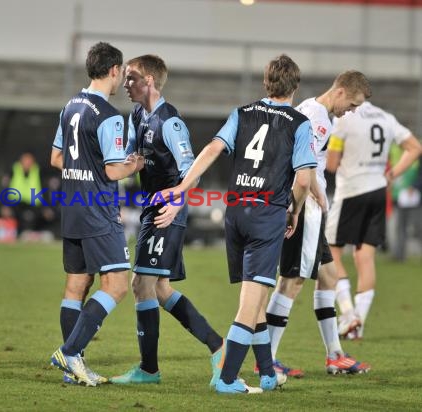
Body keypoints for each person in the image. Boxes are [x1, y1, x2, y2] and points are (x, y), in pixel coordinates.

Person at [162, 54, 315, 394]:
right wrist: (295, 211)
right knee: (250, 303)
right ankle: (227, 377)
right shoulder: (299, 122)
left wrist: (183, 187)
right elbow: (303, 181)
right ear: (296, 87)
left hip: (236, 214)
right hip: (266, 215)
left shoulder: (241, 113)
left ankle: (266, 372)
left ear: (265, 82)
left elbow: (213, 148)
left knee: (256, 298)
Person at [108, 55, 224, 386]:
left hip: (167, 210)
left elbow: (193, 172)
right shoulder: (137, 115)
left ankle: (149, 369)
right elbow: (133, 156)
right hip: (152, 207)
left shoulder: (171, 123)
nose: (125, 84)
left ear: (149, 81)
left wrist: (177, 204)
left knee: (141, 284)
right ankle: (218, 346)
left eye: (130, 78)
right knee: (159, 288)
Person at [263, 71, 372, 378]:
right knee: (293, 280)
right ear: (339, 92)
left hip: (310, 206)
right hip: (306, 206)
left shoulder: (313, 110)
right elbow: (303, 163)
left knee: (328, 276)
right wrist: (318, 196)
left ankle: (335, 354)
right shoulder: (318, 118)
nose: (350, 110)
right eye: (351, 103)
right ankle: (266, 358)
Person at [49, 42, 144, 386]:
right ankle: (71, 352)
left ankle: (72, 370)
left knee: (77, 284)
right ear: (115, 70)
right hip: (98, 211)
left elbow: (56, 159)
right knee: (117, 284)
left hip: (72, 206)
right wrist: (135, 164)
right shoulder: (107, 116)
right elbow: (112, 171)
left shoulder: (71, 105)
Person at [326, 101, 422, 339]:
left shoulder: (344, 119)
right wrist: (391, 174)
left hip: (351, 192)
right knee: (365, 257)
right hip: (379, 191)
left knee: (330, 253)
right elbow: (415, 148)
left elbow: (331, 164)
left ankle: (348, 314)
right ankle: (357, 327)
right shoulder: (385, 116)